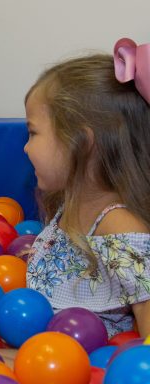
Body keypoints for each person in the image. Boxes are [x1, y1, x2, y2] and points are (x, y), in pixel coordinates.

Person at [24, 41, 150, 338]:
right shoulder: (70, 206)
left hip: (83, 361)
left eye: (32, 132)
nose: (26, 147)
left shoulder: (118, 227)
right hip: (39, 342)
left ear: (80, 142)